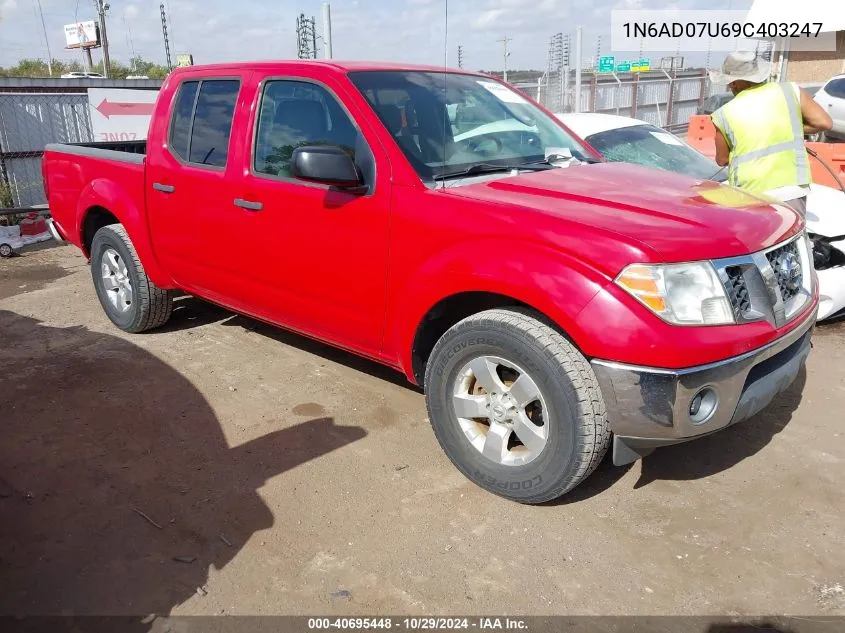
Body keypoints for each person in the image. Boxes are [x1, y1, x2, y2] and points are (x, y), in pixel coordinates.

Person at [710, 51, 832, 216]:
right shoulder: (790, 91)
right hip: (792, 189)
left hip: (750, 194)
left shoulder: (723, 114)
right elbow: (824, 122)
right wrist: (787, 130)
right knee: (791, 240)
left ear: (733, 83)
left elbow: (722, 159)